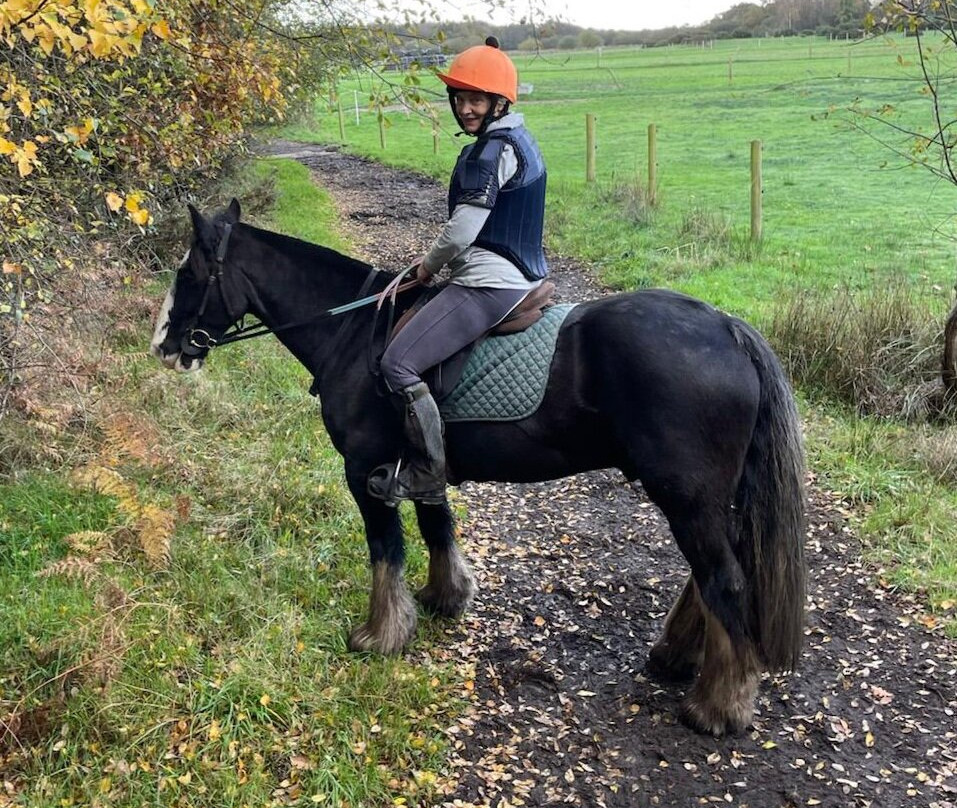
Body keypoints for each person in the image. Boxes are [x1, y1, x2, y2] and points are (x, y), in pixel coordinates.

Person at [367, 35, 549, 507]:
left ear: (499, 101)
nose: (466, 108)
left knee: (397, 363)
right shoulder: (519, 139)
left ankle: (429, 471)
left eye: (476, 99)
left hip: (490, 281)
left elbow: (462, 229)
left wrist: (426, 270)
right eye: (460, 98)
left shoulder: (490, 152)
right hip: (518, 272)